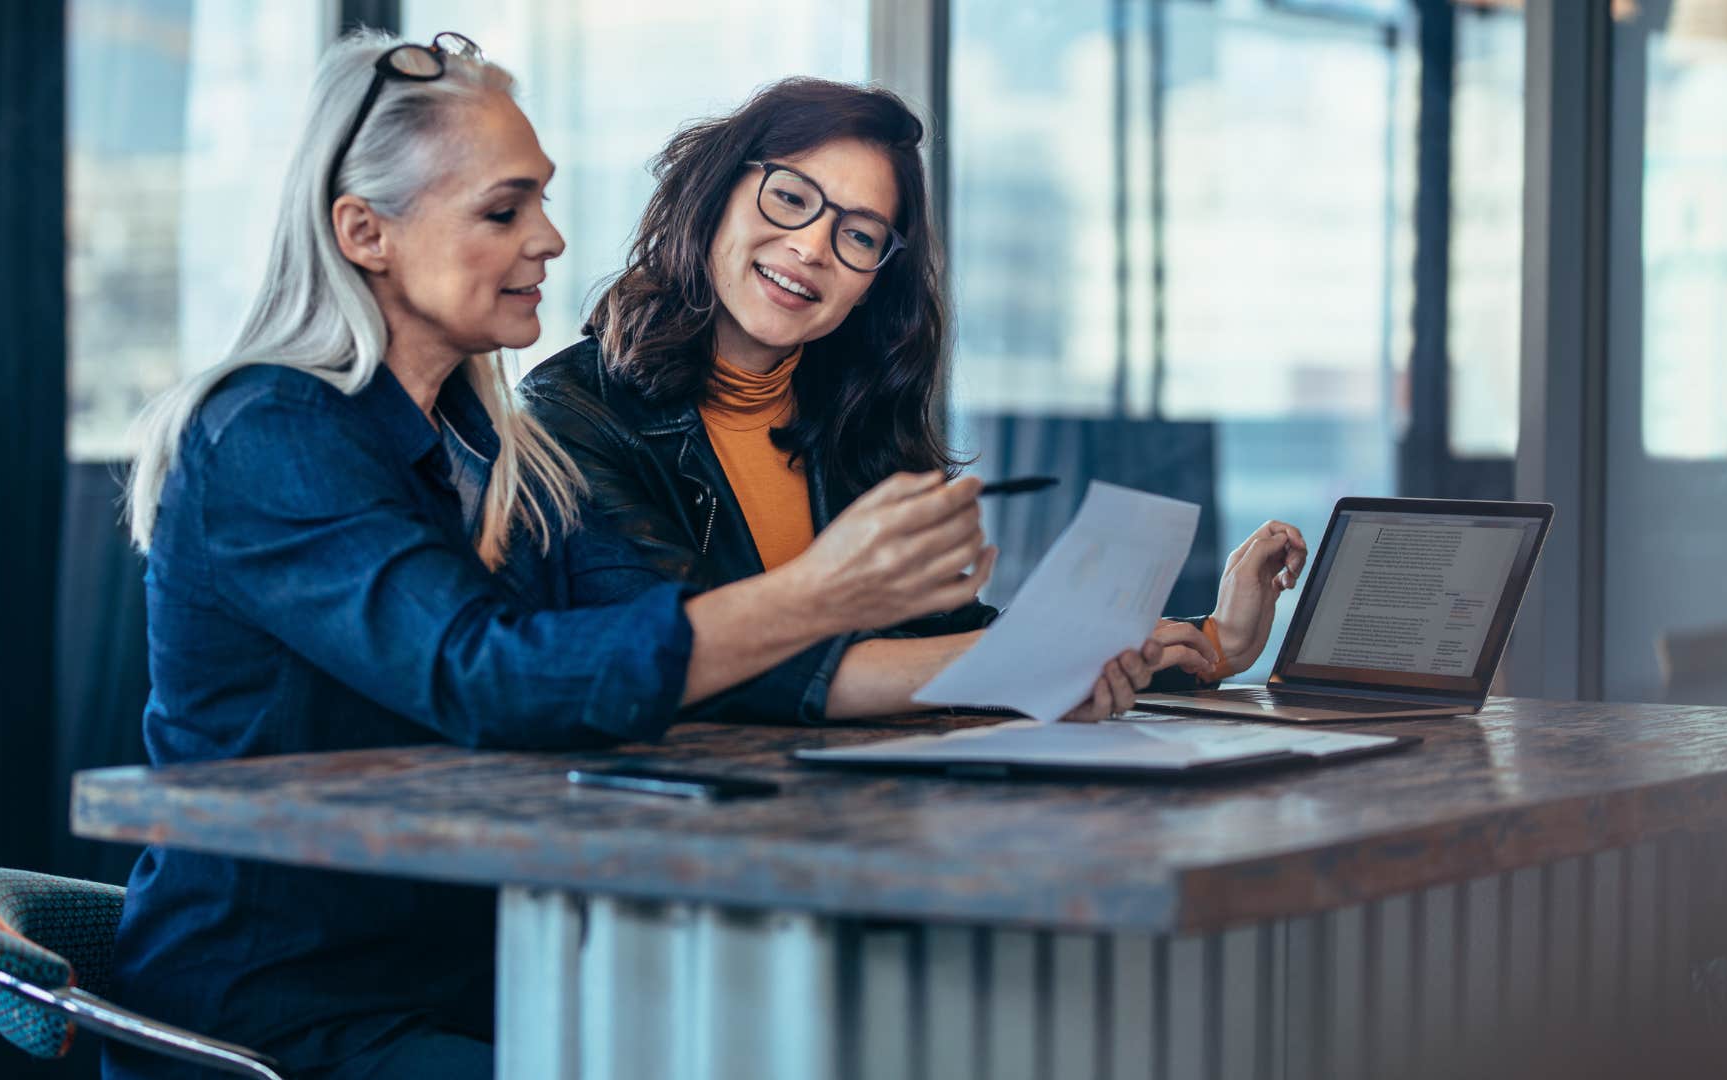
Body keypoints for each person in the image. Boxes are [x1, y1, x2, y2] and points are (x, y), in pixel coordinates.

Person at [108, 33, 1162, 1080]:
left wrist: (1059, 656)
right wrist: (822, 590)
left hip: (483, 976)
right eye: (504, 211)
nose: (551, 240)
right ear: (364, 232)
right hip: (289, 1019)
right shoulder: (271, 433)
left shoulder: (491, 448)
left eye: (542, 202)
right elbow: (488, 676)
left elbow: (663, 646)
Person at [522, 77, 1308, 721]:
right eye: (790, 198)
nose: (812, 247)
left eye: (860, 236)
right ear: (715, 195)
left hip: (858, 813)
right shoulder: (570, 415)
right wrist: (1028, 663)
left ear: (873, 283)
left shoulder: (854, 417)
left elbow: (943, 639)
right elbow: (691, 661)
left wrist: (1214, 642)